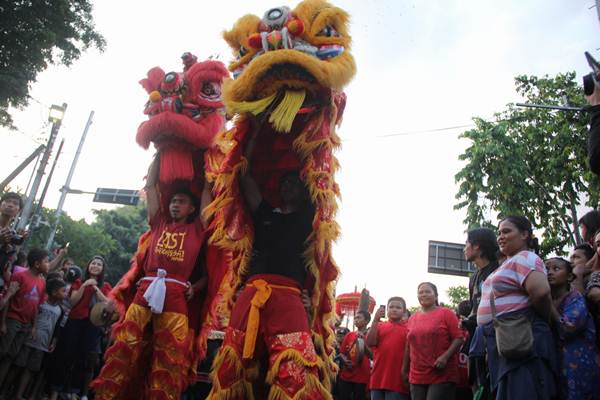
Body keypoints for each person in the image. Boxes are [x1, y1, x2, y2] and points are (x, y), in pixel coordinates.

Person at [208, 117, 328, 399]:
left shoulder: (307, 218)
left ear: (303, 190)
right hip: (252, 292)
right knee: (232, 364)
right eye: (283, 182)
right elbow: (245, 175)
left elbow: (319, 178)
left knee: (296, 366)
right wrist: (254, 130)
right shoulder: (264, 213)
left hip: (289, 296)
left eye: (294, 182)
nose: (288, 186)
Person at [93, 155, 210, 400]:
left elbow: (210, 191)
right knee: (124, 346)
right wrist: (160, 152)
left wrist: (210, 162)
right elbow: (151, 186)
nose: (175, 205)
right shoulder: (158, 223)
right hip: (144, 291)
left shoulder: (197, 228)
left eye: (181, 202)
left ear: (192, 208)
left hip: (176, 297)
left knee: (168, 360)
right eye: (173, 202)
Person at [476, 216, 557, 400]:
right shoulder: (509, 263)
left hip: (520, 338)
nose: (500, 237)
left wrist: (538, 321)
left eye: (506, 231)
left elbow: (541, 293)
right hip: (505, 340)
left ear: (525, 234)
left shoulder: (526, 257)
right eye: (499, 233)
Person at [53, 256, 111, 399]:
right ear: (88, 266)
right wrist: (85, 285)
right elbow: (72, 302)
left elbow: (109, 304)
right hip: (75, 321)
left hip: (93, 325)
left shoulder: (106, 286)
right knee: (66, 354)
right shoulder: (79, 281)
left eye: (99, 264)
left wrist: (96, 288)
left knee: (83, 358)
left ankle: (73, 391)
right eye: (93, 263)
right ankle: (56, 388)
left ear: (102, 269)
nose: (95, 266)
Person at [546, 257, 600, 400]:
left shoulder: (575, 299)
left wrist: (549, 304)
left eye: (556, 269)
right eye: (546, 269)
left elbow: (568, 329)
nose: (549, 272)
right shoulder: (545, 299)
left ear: (569, 276)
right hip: (558, 367)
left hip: (580, 369)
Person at [403, 283, 463, 400]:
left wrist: (445, 357)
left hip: (442, 373)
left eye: (427, 292)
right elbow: (408, 346)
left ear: (436, 296)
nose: (424, 295)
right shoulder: (412, 318)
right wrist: (404, 370)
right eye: (421, 292)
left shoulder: (446, 313)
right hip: (416, 375)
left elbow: (459, 338)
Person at [0, 248, 48, 390]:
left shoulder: (42, 282)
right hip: (12, 320)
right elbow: (8, 299)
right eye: (46, 261)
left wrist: (33, 326)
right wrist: (2, 323)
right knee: (2, 352)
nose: (48, 264)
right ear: (37, 264)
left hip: (26, 324)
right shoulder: (20, 276)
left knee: (11, 356)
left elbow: (36, 305)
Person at [14, 278, 67, 400]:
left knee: (30, 369)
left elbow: (57, 328)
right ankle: (7, 389)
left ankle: (19, 395)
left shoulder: (61, 310)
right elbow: (31, 317)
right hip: (29, 340)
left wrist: (54, 341)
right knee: (17, 365)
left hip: (43, 345)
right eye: (63, 291)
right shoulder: (40, 303)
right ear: (54, 292)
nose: (66, 294)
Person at [367, 297, 410, 400]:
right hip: (378, 378)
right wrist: (375, 320)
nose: (394, 309)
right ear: (387, 310)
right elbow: (370, 342)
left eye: (398, 307)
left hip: (398, 380)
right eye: (391, 307)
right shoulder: (380, 325)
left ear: (404, 311)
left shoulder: (409, 328)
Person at [338, 310, 371, 400]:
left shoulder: (371, 336)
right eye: (355, 318)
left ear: (367, 321)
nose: (356, 320)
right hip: (346, 375)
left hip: (362, 376)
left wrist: (363, 342)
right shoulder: (349, 335)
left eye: (359, 317)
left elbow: (373, 356)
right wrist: (345, 361)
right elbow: (341, 353)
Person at [0, 192, 24, 284]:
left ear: (18, 211)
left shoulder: (13, 235)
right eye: (7, 201)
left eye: (15, 203)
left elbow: (8, 267)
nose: (10, 205)